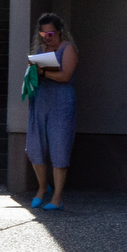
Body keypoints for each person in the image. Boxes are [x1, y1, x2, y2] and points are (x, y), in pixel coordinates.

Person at [25, 13, 78, 211]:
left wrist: (43, 72)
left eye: (50, 32)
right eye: (43, 33)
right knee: (34, 146)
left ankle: (57, 197)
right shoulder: (40, 50)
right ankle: (42, 188)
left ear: (59, 31)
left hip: (62, 102)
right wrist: (31, 72)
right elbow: (35, 73)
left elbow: (65, 75)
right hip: (41, 100)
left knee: (59, 147)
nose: (47, 36)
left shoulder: (67, 48)